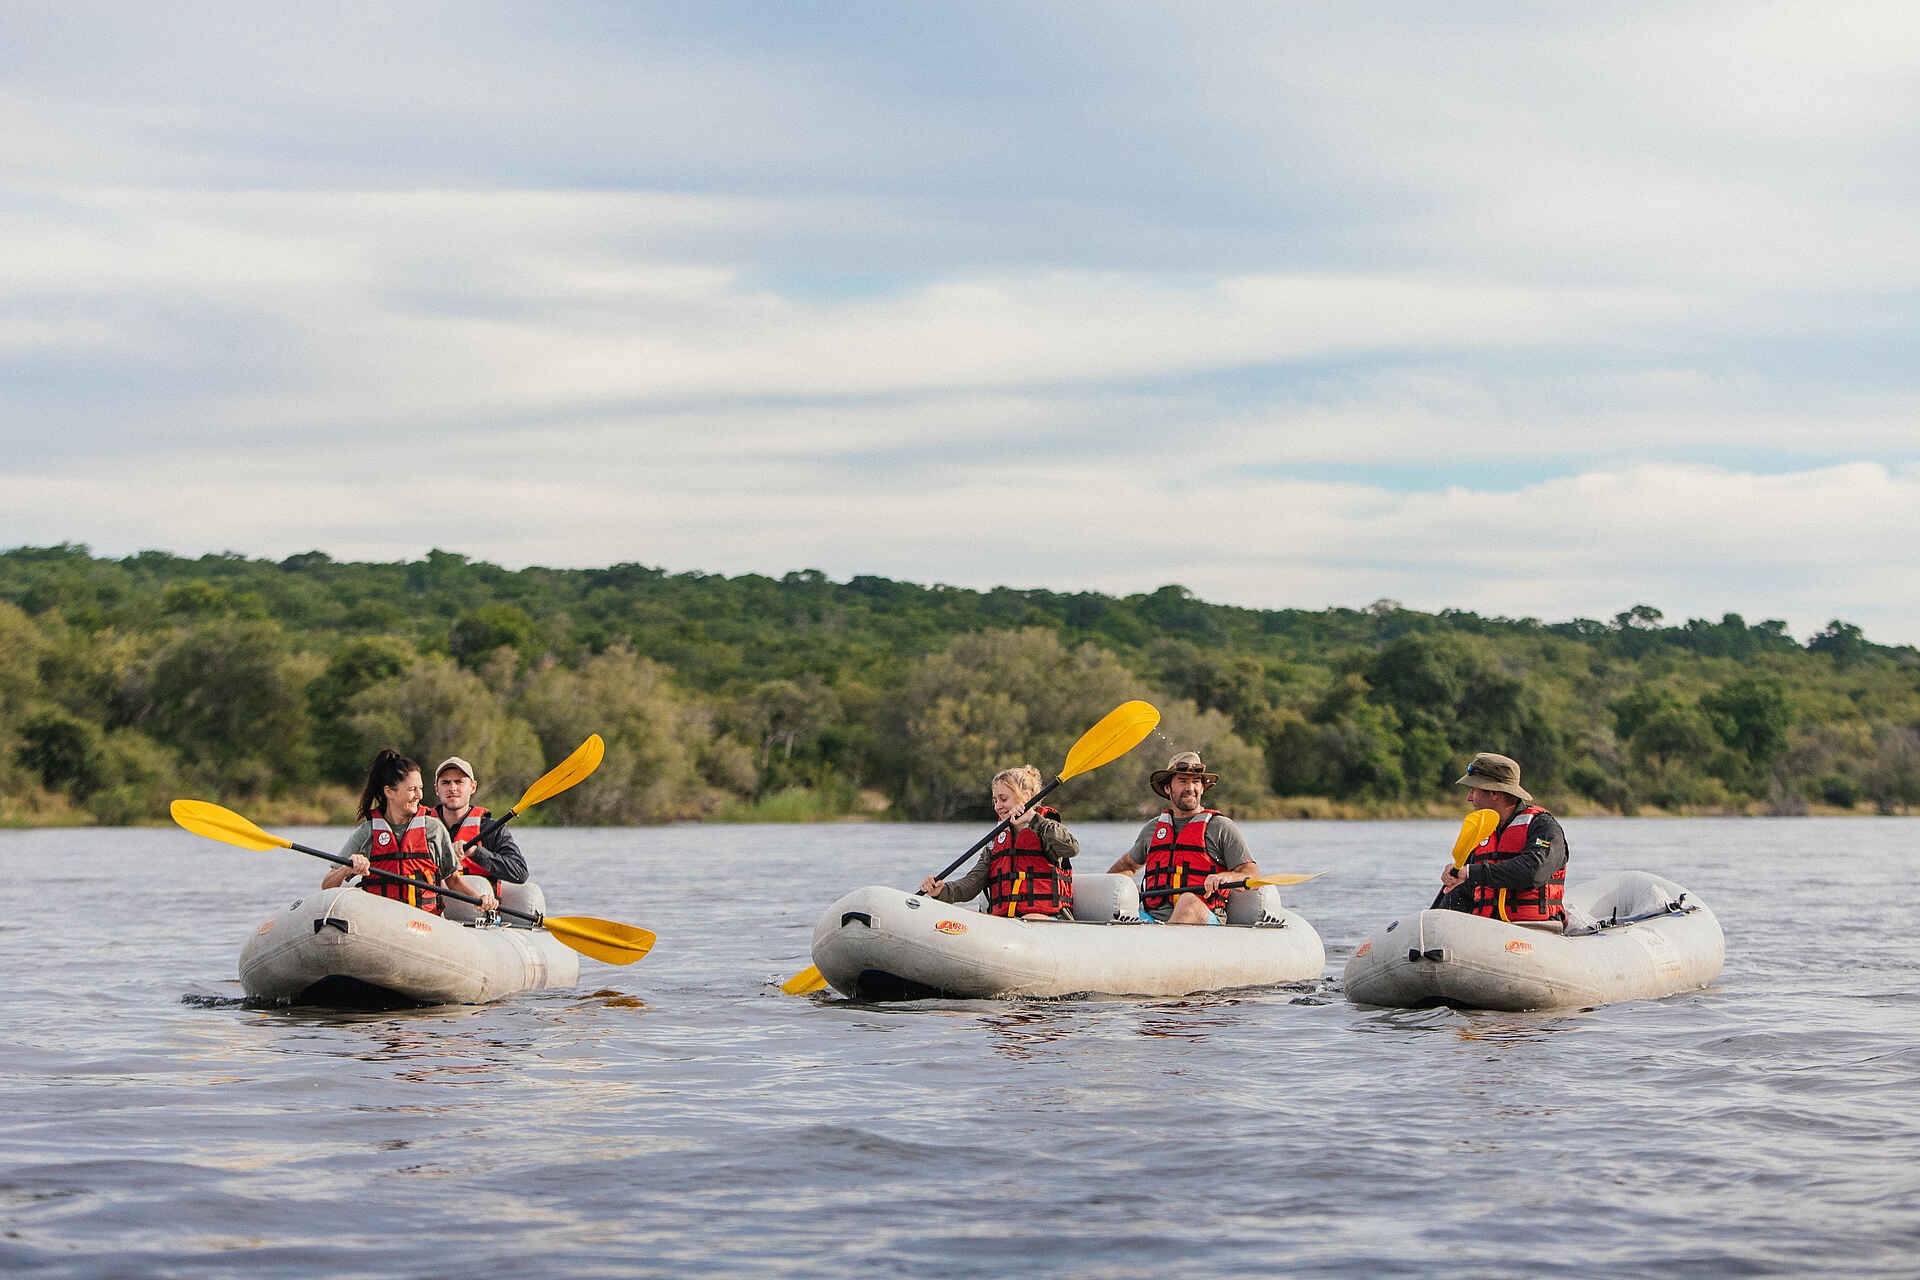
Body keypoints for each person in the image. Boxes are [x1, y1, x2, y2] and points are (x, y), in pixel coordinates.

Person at [322, 748, 498, 915]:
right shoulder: (367, 832)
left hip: (425, 923)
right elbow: (327, 886)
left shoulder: (433, 829)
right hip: (380, 922)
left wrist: (479, 899)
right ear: (390, 792)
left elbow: (452, 880)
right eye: (412, 789)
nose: (419, 795)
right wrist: (347, 868)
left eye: (420, 788)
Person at [1107, 750, 1258, 925]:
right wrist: (1118, 893)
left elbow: (1251, 875)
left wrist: (1227, 877)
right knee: (1120, 911)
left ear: (1202, 787)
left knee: (1188, 901)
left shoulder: (1221, 827)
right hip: (1152, 919)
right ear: (1167, 788)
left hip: (1204, 917)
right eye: (1183, 781)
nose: (1190, 788)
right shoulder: (1153, 828)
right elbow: (1126, 866)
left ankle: (1163, 943)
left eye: (1195, 782)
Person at [919, 765, 1079, 919]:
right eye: (995, 800)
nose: (998, 806)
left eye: (1003, 799)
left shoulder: (1046, 827)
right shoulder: (997, 840)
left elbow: (1071, 848)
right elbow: (973, 883)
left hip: (1048, 919)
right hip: (1006, 922)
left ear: (1027, 797)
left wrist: (1033, 819)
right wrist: (942, 891)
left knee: (1031, 917)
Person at [1437, 752, 1568, 929]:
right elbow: (1464, 893)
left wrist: (1470, 873)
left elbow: (1533, 872)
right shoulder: (1481, 833)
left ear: (1494, 793)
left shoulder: (1543, 826)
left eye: (1473, 790)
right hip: (1487, 933)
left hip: (1536, 932)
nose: (1469, 798)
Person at [431, 755, 529, 897]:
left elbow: (520, 873)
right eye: (445, 783)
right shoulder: (424, 827)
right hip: (431, 914)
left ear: (473, 787)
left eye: (459, 782)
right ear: (436, 789)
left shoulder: (491, 829)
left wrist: (476, 852)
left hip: (480, 913)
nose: (452, 788)